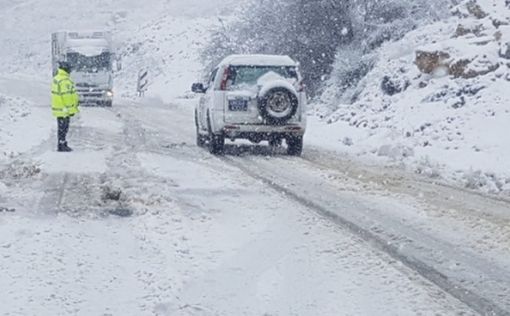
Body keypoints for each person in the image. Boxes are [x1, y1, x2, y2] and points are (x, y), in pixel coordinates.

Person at [51, 61, 79, 152]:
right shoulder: (64, 81)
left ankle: (61, 143)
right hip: (64, 110)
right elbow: (67, 96)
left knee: (61, 128)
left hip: (59, 108)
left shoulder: (57, 78)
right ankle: (62, 145)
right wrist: (71, 110)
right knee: (64, 128)